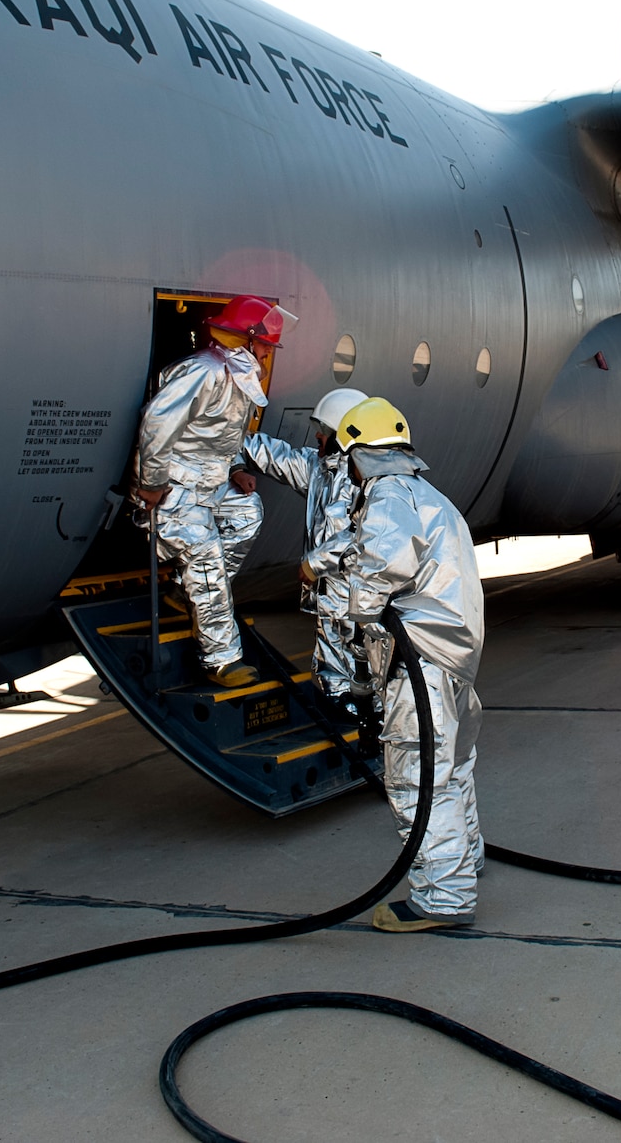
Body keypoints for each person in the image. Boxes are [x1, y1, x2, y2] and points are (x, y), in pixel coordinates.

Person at [335, 398, 487, 933]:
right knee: (453, 770)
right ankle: (463, 865)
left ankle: (444, 898)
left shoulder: (387, 494)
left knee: (419, 781)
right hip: (452, 657)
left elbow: (387, 559)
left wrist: (359, 605)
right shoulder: (429, 495)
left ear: (358, 453)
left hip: (421, 662)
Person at [133, 295, 290, 688]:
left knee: (247, 513)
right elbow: (157, 423)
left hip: (211, 484)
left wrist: (236, 469)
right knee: (206, 556)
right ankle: (220, 659)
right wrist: (151, 484)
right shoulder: (203, 371)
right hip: (174, 490)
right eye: (267, 343)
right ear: (247, 339)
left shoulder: (237, 375)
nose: (270, 352)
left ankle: (182, 593)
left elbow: (221, 433)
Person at [242, 387, 369, 722]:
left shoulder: (367, 481)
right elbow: (278, 457)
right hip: (330, 595)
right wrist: (231, 436)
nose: (317, 435)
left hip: (360, 595)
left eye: (324, 432)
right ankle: (342, 713)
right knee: (332, 658)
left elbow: (360, 535)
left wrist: (314, 563)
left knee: (364, 659)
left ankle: (368, 717)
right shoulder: (319, 469)